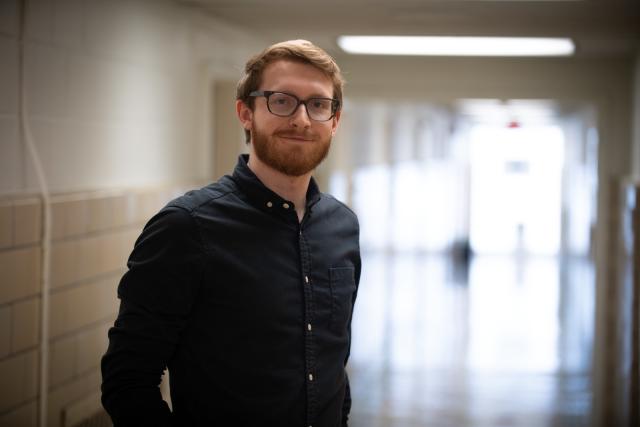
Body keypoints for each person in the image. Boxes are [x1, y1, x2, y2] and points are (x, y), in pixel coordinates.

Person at [101, 39, 361, 427]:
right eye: (282, 100)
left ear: (335, 120)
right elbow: (128, 381)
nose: (303, 120)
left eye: (319, 104)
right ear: (246, 112)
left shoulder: (342, 226)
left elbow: (332, 361)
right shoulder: (187, 227)